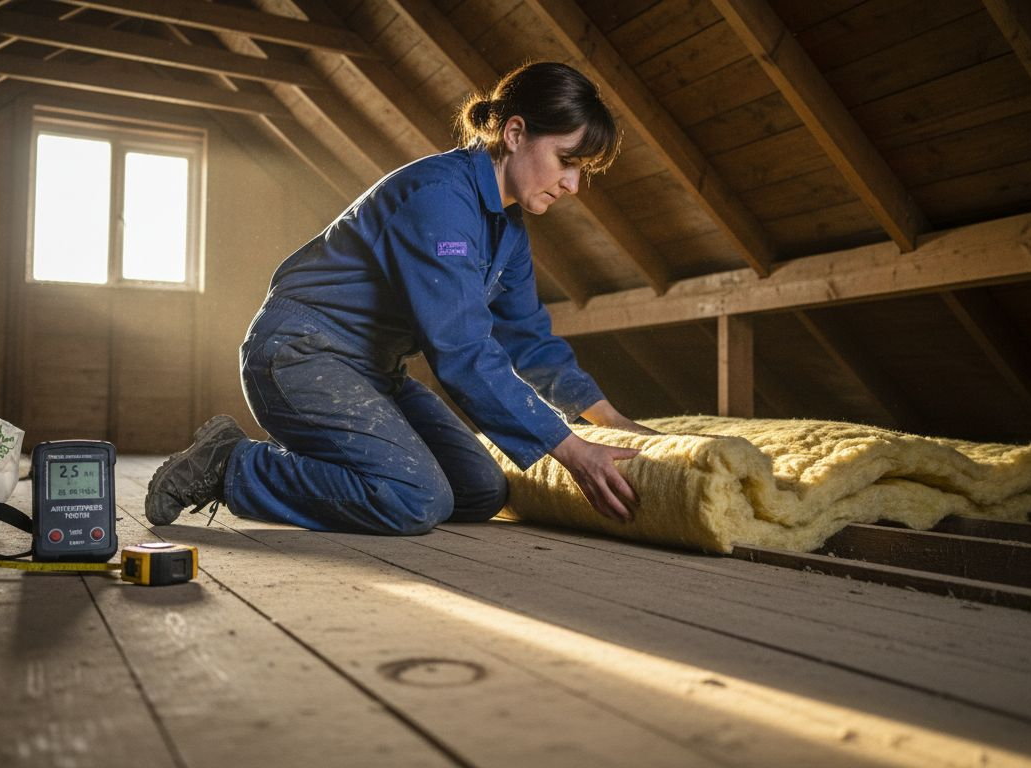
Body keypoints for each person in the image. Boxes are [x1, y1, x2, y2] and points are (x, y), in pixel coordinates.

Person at [145, 61, 653, 535]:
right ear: (515, 133)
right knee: (414, 498)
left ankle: (349, 470)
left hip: (374, 371)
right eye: (567, 161)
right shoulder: (437, 198)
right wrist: (572, 451)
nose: (573, 184)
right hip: (299, 355)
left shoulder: (509, 232)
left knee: (480, 490)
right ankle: (231, 464)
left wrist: (614, 422)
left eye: (582, 169)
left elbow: (528, 339)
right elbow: (462, 349)